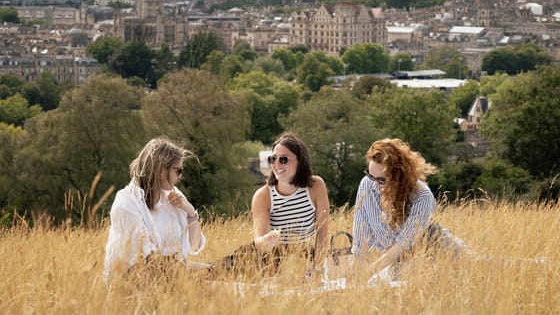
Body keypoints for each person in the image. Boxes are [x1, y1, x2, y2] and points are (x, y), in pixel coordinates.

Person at [351, 138, 469, 279]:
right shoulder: (367, 184)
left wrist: (368, 273)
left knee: (483, 267)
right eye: (371, 176)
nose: (375, 184)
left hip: (437, 248)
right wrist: (356, 272)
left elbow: (403, 245)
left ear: (398, 176)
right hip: (400, 260)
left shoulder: (422, 196)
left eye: (382, 180)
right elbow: (360, 234)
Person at [216, 132, 330, 277]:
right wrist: (266, 240)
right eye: (273, 159)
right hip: (272, 259)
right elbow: (260, 242)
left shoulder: (316, 186)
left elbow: (322, 233)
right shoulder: (263, 196)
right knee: (224, 268)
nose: (276, 165)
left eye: (283, 160)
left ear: (300, 161)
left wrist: (317, 269)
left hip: (305, 257)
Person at [103, 137, 205, 280]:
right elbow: (146, 262)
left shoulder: (174, 197)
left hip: (172, 277)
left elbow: (193, 247)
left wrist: (190, 212)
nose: (180, 176)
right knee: (230, 290)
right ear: (161, 171)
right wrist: (193, 272)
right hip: (133, 285)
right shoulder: (126, 204)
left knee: (230, 281)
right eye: (179, 171)